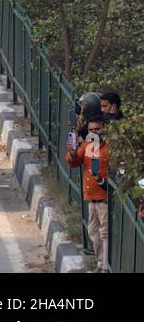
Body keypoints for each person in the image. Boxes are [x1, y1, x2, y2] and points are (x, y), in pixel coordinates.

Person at [65, 114, 111, 271]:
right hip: (91, 198)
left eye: (98, 129)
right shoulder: (86, 146)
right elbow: (73, 161)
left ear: (104, 129)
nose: (95, 132)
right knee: (93, 232)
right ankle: (100, 264)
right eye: (91, 130)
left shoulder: (110, 148)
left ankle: (104, 267)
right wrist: (71, 151)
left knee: (104, 234)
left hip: (105, 198)